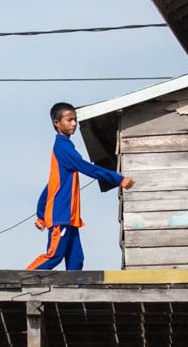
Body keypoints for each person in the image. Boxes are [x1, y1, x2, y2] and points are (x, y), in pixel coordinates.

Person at [26, 102, 134, 270]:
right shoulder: (62, 147)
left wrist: (40, 214)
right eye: (69, 120)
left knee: (76, 260)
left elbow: (51, 186)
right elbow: (87, 167)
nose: (74, 124)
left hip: (70, 218)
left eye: (75, 120)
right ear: (57, 123)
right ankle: (19, 280)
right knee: (54, 255)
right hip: (60, 215)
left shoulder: (66, 147)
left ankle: (74, 293)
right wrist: (117, 179)